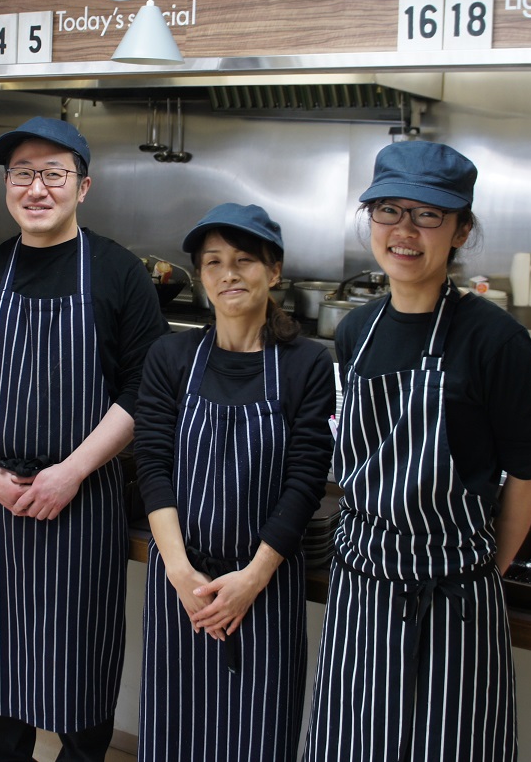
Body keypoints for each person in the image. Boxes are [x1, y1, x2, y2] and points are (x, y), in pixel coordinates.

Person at [303, 141, 531, 762]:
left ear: (461, 230)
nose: (404, 230)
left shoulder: (496, 340)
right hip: (361, 590)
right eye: (388, 210)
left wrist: (485, 568)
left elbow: (527, 472)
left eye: (428, 215)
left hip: (452, 598)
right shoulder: (355, 331)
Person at [0, 116, 170, 762]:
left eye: (53, 174)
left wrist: (72, 471)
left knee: (80, 666)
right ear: (6, 185)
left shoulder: (118, 273)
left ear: (83, 186)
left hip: (83, 499)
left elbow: (145, 388)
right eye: (22, 174)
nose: (36, 188)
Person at [132, 204, 335, 762]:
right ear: (201, 275)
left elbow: (305, 481)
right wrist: (180, 573)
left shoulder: (306, 365)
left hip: (264, 585)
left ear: (274, 271)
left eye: (244, 260)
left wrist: (252, 579)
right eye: (214, 262)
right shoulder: (171, 356)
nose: (228, 274)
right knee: (174, 736)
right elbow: (153, 465)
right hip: (182, 584)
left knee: (257, 738)